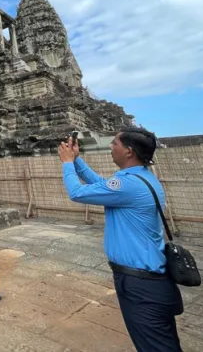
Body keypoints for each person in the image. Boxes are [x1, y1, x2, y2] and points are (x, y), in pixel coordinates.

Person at [57, 128, 184, 352]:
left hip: (141, 285)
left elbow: (77, 193)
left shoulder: (129, 185)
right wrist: (77, 160)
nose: (110, 146)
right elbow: (101, 185)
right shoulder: (140, 178)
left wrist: (67, 163)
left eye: (114, 143)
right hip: (151, 279)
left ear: (128, 151)